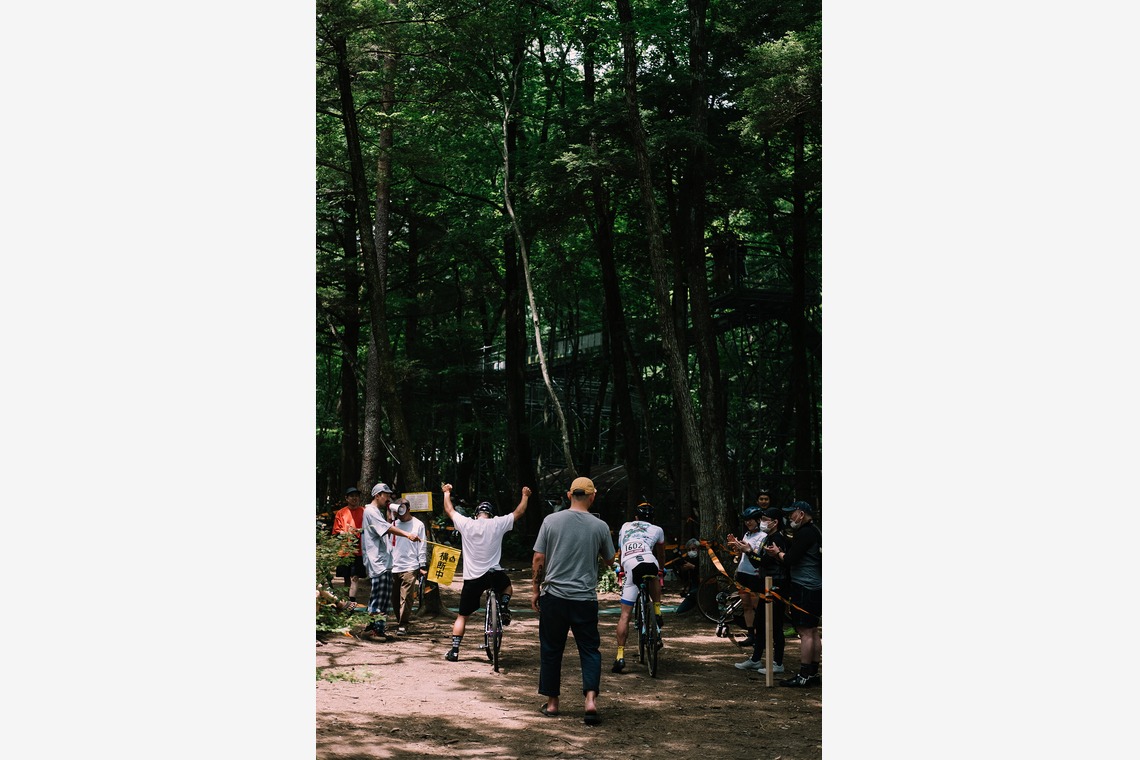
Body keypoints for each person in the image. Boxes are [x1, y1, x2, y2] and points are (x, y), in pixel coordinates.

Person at [531, 476, 615, 725]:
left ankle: (553, 703)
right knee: (589, 649)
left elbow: (538, 558)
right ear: (592, 496)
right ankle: (590, 700)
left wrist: (535, 589)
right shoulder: (600, 526)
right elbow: (610, 560)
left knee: (551, 648)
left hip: (554, 597)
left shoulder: (550, 520)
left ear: (569, 495)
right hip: (584, 598)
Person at [440, 483, 532, 661]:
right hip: (493, 574)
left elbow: (449, 510)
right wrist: (525, 496)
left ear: (476, 515)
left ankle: (455, 651)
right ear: (491, 514)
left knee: (462, 616)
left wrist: (446, 493)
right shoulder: (497, 523)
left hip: (472, 577)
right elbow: (519, 512)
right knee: (507, 587)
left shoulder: (467, 524)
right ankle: (504, 606)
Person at [765, 500, 821, 687]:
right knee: (812, 630)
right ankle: (812, 672)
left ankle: (804, 674)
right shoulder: (815, 530)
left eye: (791, 514)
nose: (789, 518)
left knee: (805, 632)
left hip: (804, 586)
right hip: (815, 585)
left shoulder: (805, 533)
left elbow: (790, 559)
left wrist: (777, 554)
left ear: (801, 514)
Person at [360, 482, 423, 639]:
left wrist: (390, 516)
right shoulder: (371, 511)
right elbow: (387, 528)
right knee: (379, 598)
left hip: (383, 562)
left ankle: (374, 628)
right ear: (377, 495)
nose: (388, 498)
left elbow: (385, 526)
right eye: (386, 495)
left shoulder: (376, 512)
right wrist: (407, 534)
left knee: (382, 597)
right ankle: (375, 630)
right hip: (378, 562)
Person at [611, 501, 665, 674]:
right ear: (653, 518)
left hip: (630, 563)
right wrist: (661, 569)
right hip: (650, 561)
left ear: (636, 517)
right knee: (655, 575)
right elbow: (661, 553)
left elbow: (620, 551)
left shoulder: (625, 526)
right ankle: (657, 610)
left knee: (625, 616)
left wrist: (620, 570)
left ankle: (620, 656)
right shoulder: (657, 529)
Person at [735, 506, 789, 674]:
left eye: (765, 519)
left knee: (775, 625)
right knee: (760, 623)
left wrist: (749, 552)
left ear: (775, 522)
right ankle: (756, 659)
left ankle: (778, 662)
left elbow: (762, 561)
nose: (762, 522)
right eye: (762, 519)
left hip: (777, 586)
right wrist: (748, 551)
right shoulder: (770, 537)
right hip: (765, 584)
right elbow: (761, 560)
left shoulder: (778, 538)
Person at [725, 505, 768, 656]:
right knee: (746, 605)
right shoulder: (747, 534)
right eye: (746, 520)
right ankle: (751, 634)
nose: (748, 523)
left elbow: (757, 554)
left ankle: (760, 634)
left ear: (758, 520)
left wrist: (746, 548)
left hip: (755, 575)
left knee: (757, 605)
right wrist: (735, 545)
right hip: (742, 572)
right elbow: (741, 553)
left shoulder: (763, 536)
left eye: (751, 520)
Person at [388, 497, 428, 635]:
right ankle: (400, 620)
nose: (401, 511)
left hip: (410, 565)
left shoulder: (418, 525)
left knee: (407, 597)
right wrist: (390, 518)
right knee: (394, 597)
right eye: (398, 508)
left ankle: (403, 624)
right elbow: (387, 542)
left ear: (409, 509)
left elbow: (422, 546)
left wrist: (422, 565)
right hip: (393, 565)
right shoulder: (392, 524)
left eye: (403, 508)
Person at [331, 486, 368, 603]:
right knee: (346, 577)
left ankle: (352, 601)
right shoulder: (341, 513)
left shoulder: (364, 512)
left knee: (355, 577)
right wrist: (347, 533)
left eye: (356, 496)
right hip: (345, 550)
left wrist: (361, 531)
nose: (354, 498)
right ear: (346, 498)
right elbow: (336, 531)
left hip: (359, 550)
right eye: (352, 496)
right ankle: (346, 602)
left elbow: (369, 529)